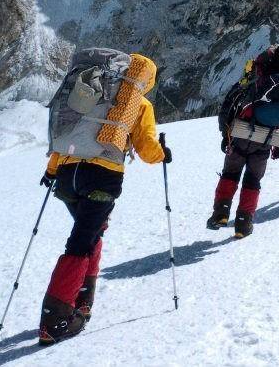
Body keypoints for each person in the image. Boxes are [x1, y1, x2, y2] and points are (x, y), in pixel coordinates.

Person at [37, 50, 170, 346]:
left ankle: (83, 299)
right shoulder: (138, 103)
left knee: (92, 232)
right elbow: (147, 147)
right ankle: (55, 319)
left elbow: (69, 136)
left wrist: (51, 169)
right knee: (82, 241)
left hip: (68, 176)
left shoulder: (93, 94)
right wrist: (163, 154)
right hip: (102, 178)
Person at [210, 44, 279, 238]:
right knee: (253, 181)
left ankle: (221, 213)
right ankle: (244, 223)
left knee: (230, 174)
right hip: (265, 142)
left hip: (241, 137)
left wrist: (224, 135)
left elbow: (230, 107)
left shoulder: (256, 83)